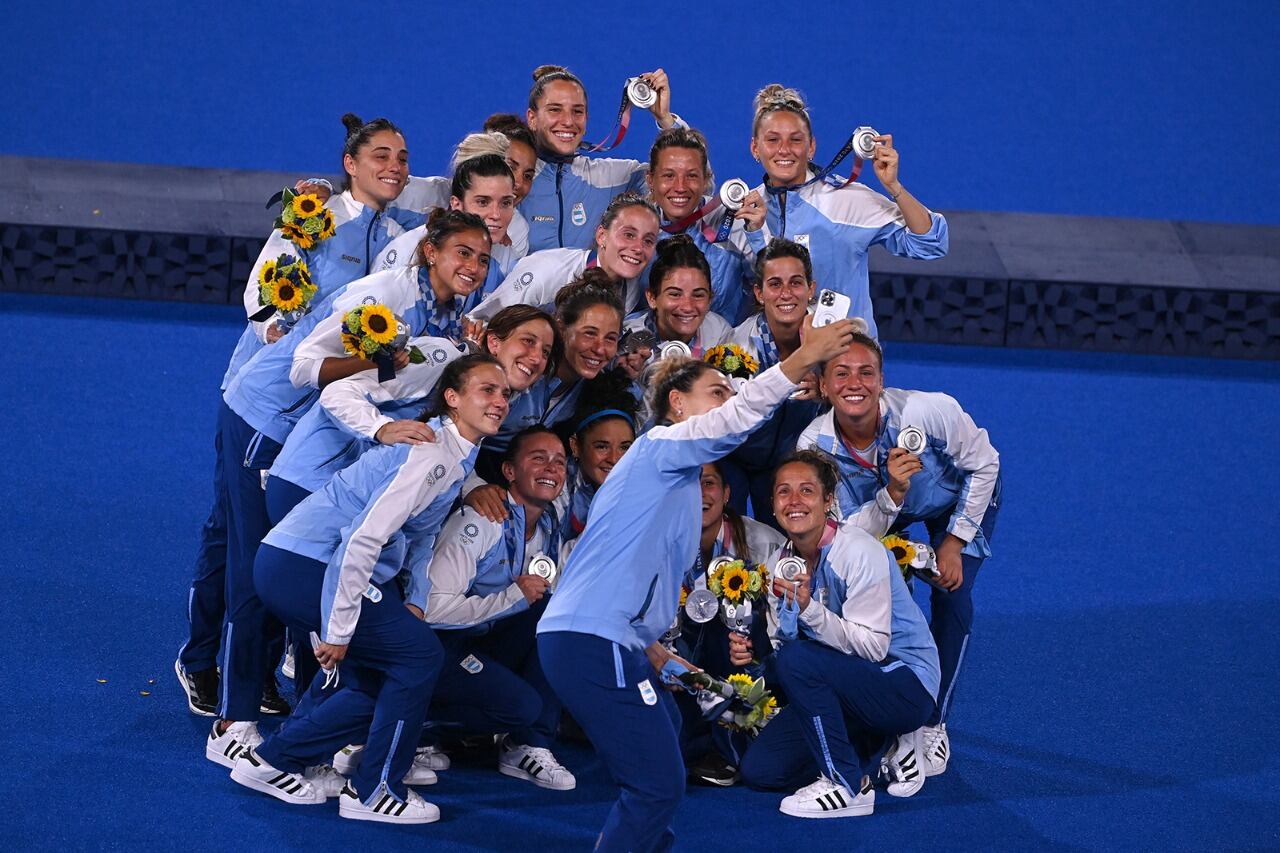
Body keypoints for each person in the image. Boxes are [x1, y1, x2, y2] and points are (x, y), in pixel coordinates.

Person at [537, 313, 857, 852]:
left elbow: (630, 579)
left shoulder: (679, 483)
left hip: (609, 643)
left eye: (729, 391)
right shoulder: (658, 447)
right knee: (656, 787)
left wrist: (658, 654)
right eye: (716, 390)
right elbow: (738, 417)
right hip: (592, 642)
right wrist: (804, 357)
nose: (729, 399)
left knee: (662, 756)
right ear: (678, 403)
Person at [183, 114, 410, 728]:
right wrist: (284, 336)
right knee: (249, 548)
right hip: (266, 409)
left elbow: (452, 192)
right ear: (350, 163)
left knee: (233, 531)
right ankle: (229, 683)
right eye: (380, 155)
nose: (394, 166)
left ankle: (221, 661)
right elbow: (264, 294)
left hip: (321, 421)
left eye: (402, 158)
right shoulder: (312, 218)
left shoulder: (399, 232)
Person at [226, 354, 510, 825]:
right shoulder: (430, 451)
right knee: (419, 657)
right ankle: (375, 789)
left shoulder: (458, 454)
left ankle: (275, 760)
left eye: (504, 394)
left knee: (382, 673)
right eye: (487, 390)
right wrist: (338, 630)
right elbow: (363, 540)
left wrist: (415, 602)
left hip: (298, 562)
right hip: (302, 565)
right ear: (453, 398)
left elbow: (419, 539)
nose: (500, 401)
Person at [796, 332, 1000, 787]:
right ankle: (896, 711)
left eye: (866, 372)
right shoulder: (813, 446)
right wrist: (893, 493)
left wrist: (953, 542)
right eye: (841, 373)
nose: (856, 383)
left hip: (958, 503)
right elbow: (844, 534)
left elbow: (985, 464)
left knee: (953, 595)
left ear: (882, 379)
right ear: (824, 386)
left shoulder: (927, 412)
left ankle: (932, 721)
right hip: (886, 512)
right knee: (882, 601)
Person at [736, 451, 941, 818]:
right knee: (761, 770)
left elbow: (875, 648)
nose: (794, 501)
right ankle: (881, 745)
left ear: (828, 500)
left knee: (797, 660)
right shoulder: (778, 565)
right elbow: (786, 647)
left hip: (904, 682)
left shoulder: (858, 551)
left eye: (807, 491)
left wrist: (809, 611)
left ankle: (847, 785)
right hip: (846, 685)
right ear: (773, 504)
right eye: (784, 492)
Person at [422, 426, 575, 790]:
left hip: (484, 639)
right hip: (438, 648)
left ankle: (528, 745)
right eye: (538, 459)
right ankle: (417, 726)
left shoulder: (550, 522)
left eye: (559, 462)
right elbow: (430, 611)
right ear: (509, 471)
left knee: (555, 617)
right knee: (522, 705)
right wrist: (510, 599)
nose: (551, 469)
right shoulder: (481, 521)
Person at [749, 84, 948, 339]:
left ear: (811, 147)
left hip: (846, 364)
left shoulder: (847, 200)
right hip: (777, 359)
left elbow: (931, 243)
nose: (784, 150)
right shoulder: (747, 211)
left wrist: (893, 186)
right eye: (773, 140)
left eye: (796, 140)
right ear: (755, 148)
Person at [677, 461, 784, 787]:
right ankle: (698, 742)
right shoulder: (660, 542)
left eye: (708, 483)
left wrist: (758, 648)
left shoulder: (764, 542)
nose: (699, 494)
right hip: (682, 653)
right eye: (689, 485)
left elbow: (782, 621)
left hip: (749, 653)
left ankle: (732, 743)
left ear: (726, 494)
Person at [521, 64, 683, 251]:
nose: (568, 121)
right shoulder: (512, 178)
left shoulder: (610, 178)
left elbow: (688, 184)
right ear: (532, 118)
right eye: (555, 110)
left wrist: (666, 120)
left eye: (577, 111)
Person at [722, 238, 825, 527]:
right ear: (759, 292)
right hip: (736, 459)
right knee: (733, 538)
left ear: (811, 289)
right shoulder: (737, 346)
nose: (786, 294)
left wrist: (827, 391)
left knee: (791, 540)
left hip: (793, 461)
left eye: (796, 283)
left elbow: (859, 394)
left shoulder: (830, 340)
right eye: (775, 284)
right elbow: (734, 418)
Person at [468, 192, 660, 321]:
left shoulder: (631, 290)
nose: (638, 248)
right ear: (602, 235)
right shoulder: (546, 272)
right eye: (629, 235)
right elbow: (479, 322)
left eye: (648, 241)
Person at [646, 127, 766, 324]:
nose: (680, 187)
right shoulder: (637, 233)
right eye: (669, 175)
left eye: (691, 176)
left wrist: (756, 235)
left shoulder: (734, 220)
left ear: (706, 180)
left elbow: (770, 286)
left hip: (727, 349)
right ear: (650, 180)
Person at [618, 235, 733, 386]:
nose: (687, 306)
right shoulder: (626, 336)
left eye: (698, 295)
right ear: (652, 297)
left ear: (710, 299)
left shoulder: (721, 334)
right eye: (675, 294)